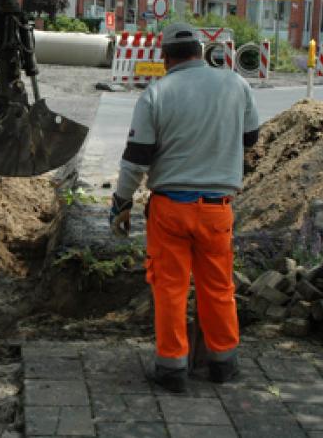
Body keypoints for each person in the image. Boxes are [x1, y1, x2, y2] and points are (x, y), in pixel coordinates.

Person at [109, 21, 260, 393]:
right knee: (218, 287)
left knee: (170, 288)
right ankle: (223, 362)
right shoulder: (236, 84)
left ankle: (172, 368)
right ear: (200, 51)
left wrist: (121, 203)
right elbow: (251, 137)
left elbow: (136, 159)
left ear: (164, 58)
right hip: (216, 209)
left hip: (170, 210)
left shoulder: (157, 94)